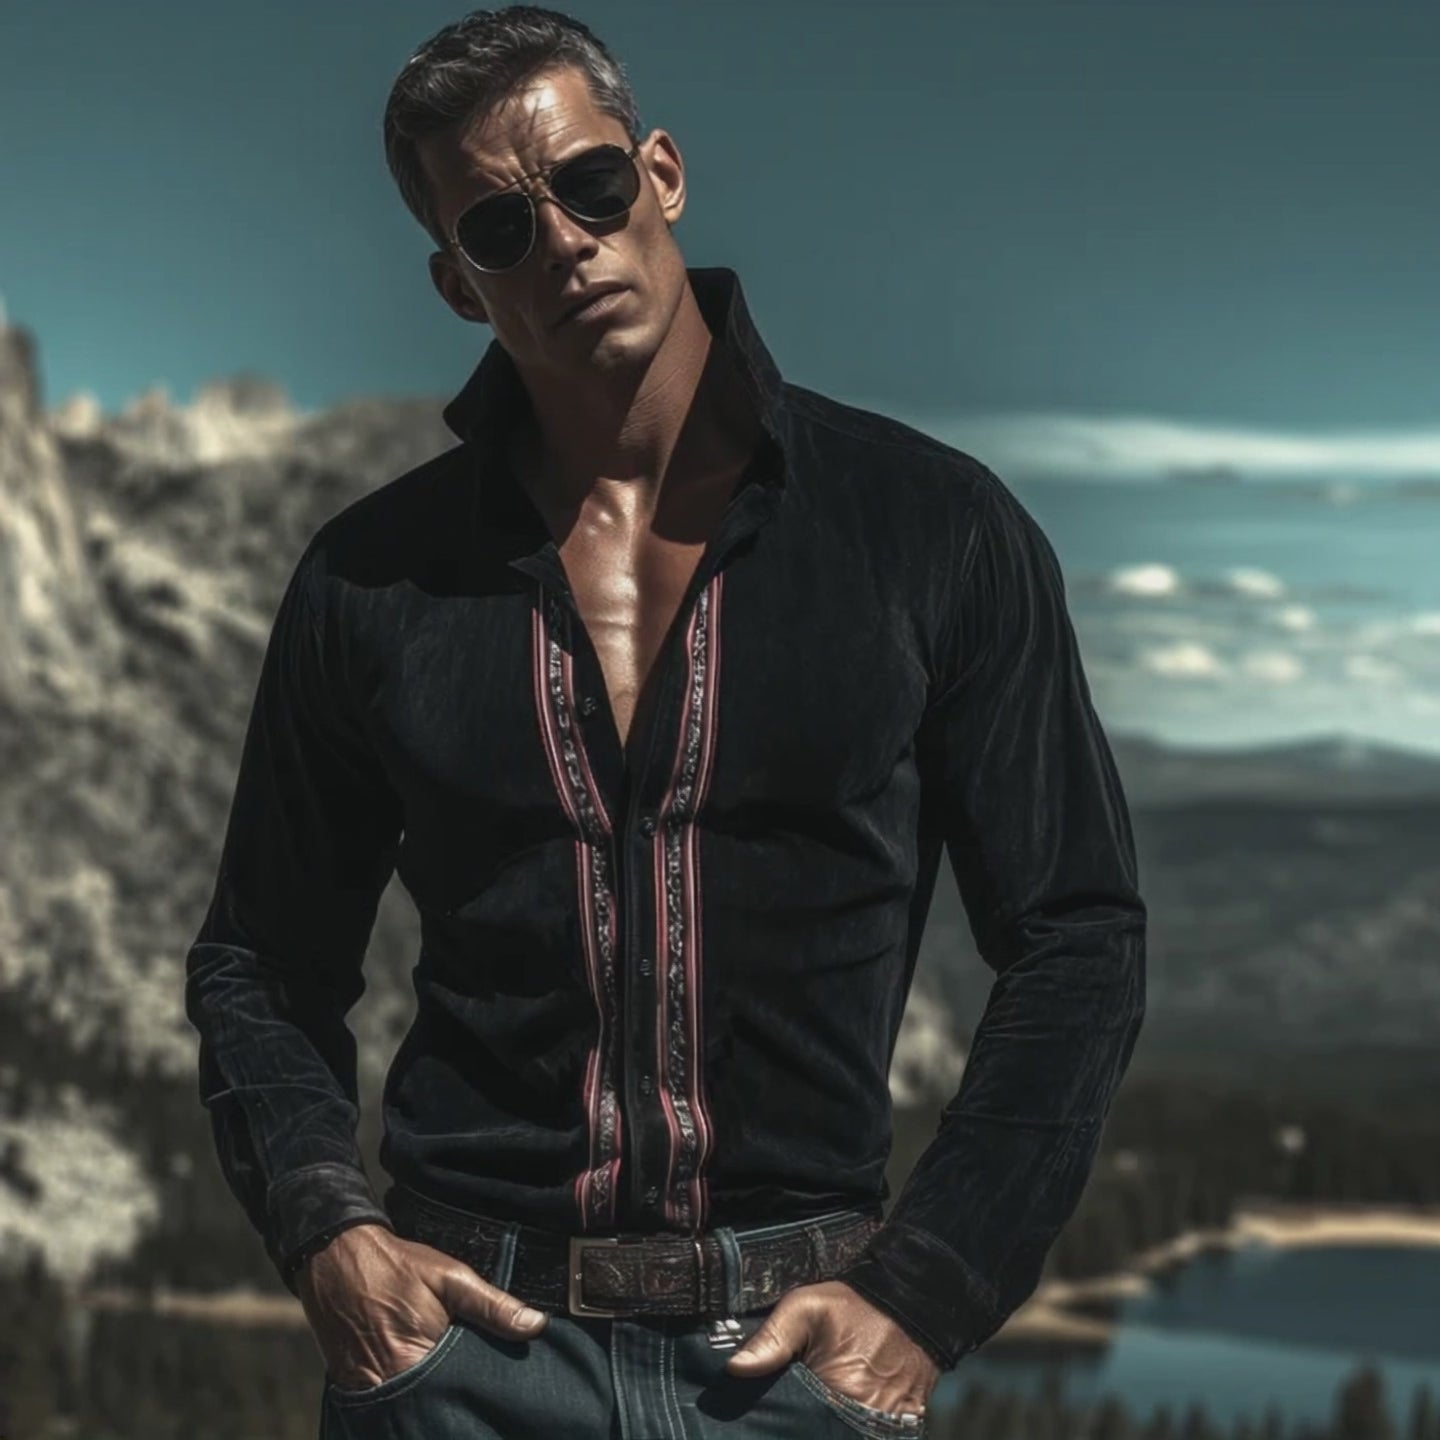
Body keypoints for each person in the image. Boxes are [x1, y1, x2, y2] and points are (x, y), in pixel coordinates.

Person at [183, 6, 1147, 1436]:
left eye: (588, 184)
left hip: (796, 1363)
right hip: (467, 1356)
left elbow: (1077, 934)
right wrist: (329, 1233)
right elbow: (261, 961)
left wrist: (928, 1294)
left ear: (662, 174)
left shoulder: (931, 528)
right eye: (500, 228)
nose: (564, 243)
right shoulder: (372, 576)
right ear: (457, 285)